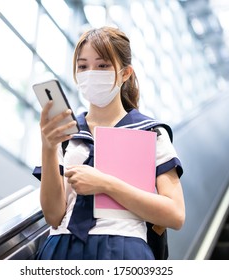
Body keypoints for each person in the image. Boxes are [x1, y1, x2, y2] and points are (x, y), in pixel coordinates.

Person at [32, 26, 185, 260]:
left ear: (125, 73)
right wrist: (48, 146)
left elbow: (175, 214)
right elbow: (53, 215)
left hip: (124, 250)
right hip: (61, 248)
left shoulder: (151, 133)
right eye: (83, 66)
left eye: (102, 65)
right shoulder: (65, 135)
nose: (91, 73)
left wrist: (106, 184)